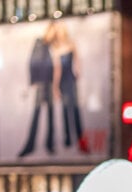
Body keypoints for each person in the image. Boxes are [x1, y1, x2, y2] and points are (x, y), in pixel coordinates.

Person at [48, 21, 89, 153]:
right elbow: (57, 69)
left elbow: (77, 61)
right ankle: (68, 139)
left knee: (75, 110)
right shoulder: (55, 47)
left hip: (71, 79)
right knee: (65, 110)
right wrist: (55, 87)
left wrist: (78, 71)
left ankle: (80, 140)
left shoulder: (71, 44)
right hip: (63, 81)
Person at [18, 25, 56, 157]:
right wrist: (33, 80)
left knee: (50, 115)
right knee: (37, 113)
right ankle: (31, 144)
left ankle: (50, 144)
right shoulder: (40, 43)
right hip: (41, 83)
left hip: (50, 83)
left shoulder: (53, 46)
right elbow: (32, 61)